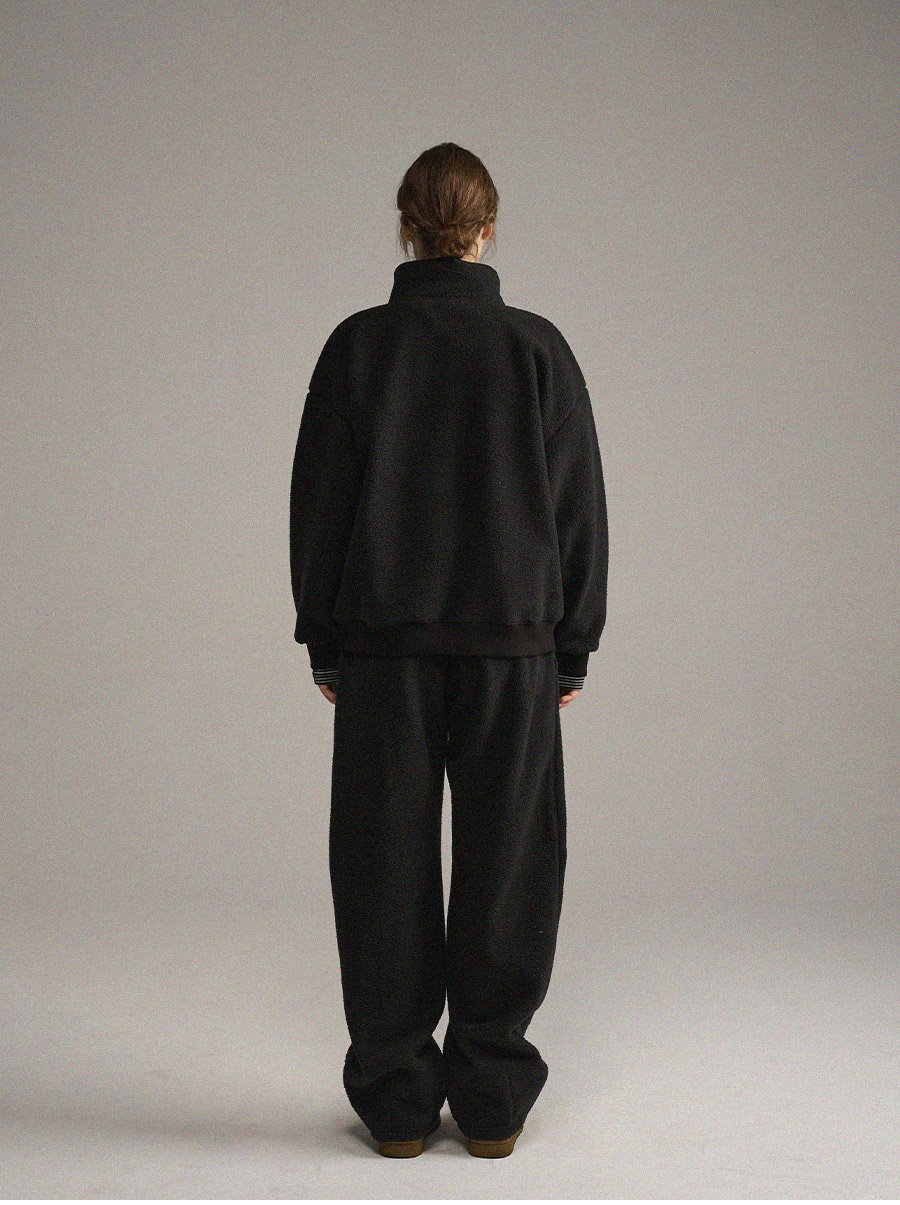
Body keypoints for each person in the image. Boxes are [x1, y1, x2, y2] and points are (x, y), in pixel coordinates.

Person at [289, 142, 609, 1159]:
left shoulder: (359, 348)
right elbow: (577, 510)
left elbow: (320, 506)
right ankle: (492, 1096)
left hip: (385, 652)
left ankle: (394, 1100)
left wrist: (325, 639)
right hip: (513, 651)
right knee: (511, 863)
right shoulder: (537, 349)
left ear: (405, 227)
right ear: (487, 228)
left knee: (380, 863)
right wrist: (571, 647)